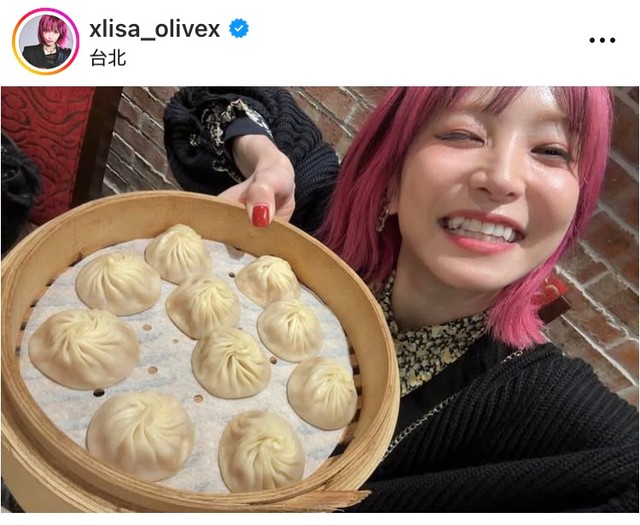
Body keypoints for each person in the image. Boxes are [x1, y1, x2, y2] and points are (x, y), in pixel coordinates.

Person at [164, 87, 639, 512]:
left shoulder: (553, 417)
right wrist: (265, 158)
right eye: (463, 134)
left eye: (552, 151)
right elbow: (210, 96)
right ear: (391, 177)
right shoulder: (314, 230)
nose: (502, 179)